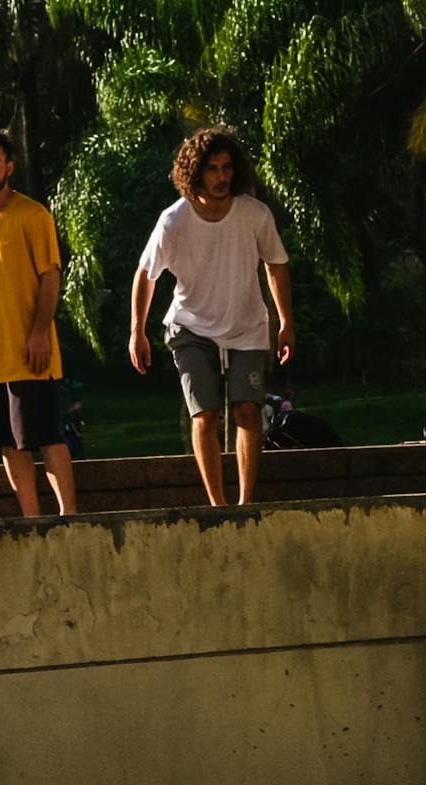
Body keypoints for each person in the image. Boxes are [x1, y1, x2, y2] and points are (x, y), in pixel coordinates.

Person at [128, 127, 293, 507]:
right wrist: (137, 331)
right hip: (191, 326)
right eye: (213, 169)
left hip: (247, 325)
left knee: (248, 411)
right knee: (205, 413)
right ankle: (218, 506)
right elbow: (145, 274)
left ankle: (245, 504)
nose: (222, 177)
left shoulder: (254, 214)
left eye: (227, 168)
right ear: (195, 173)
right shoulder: (174, 220)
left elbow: (276, 266)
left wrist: (285, 322)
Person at [0, 128, 75, 516]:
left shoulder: (33, 215)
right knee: (7, 442)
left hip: (29, 350)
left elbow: (50, 276)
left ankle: (69, 516)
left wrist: (40, 332)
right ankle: (31, 520)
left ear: (9, 166)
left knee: (46, 437)